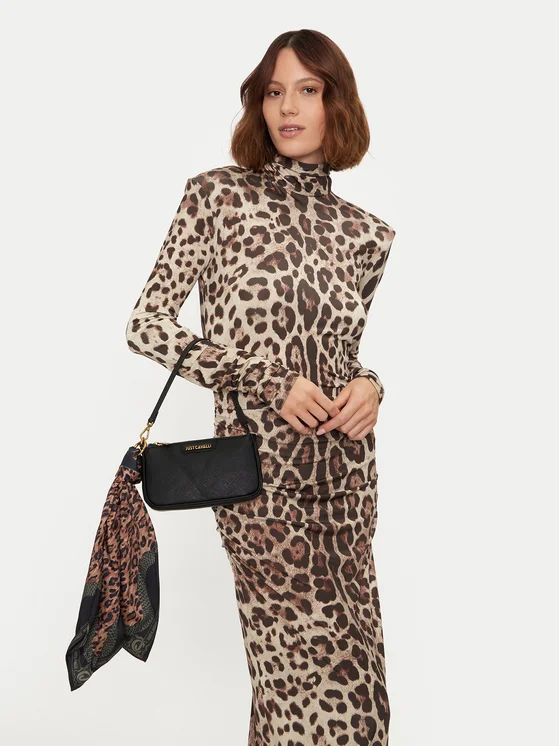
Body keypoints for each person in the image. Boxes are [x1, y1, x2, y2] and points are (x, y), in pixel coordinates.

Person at [126, 28, 396, 746]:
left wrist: (371, 385)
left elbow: (342, 354)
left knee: (360, 690)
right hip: (260, 488)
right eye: (275, 91)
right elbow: (147, 326)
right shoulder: (216, 198)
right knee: (298, 686)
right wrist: (263, 379)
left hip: (346, 484)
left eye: (308, 90)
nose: (288, 107)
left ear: (338, 104)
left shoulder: (366, 235)